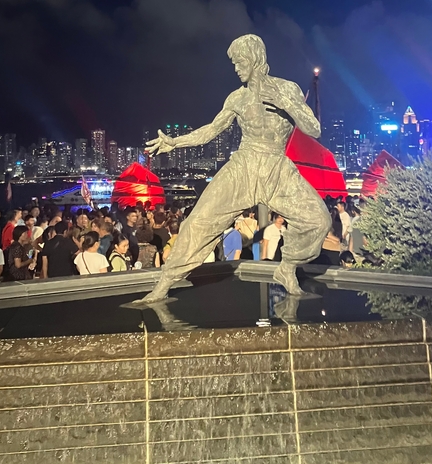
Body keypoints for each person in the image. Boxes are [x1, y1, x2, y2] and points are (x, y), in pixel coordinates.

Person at [141, 33, 331, 303]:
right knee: (198, 222)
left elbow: (314, 129)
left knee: (319, 221)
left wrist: (284, 103)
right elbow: (211, 130)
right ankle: (164, 284)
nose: (236, 68)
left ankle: (287, 269)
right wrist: (175, 142)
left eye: (240, 61)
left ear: (255, 59)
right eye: (234, 63)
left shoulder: (287, 89)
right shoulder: (236, 99)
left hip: (277, 168)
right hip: (243, 166)